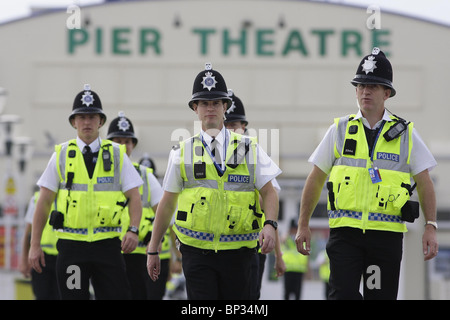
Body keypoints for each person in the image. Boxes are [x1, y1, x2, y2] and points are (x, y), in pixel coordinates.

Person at [295, 48, 439, 300]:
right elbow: (316, 178)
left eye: (373, 86)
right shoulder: (339, 129)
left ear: (387, 93)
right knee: (343, 296)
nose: (365, 92)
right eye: (361, 86)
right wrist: (303, 224)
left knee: (378, 297)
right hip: (345, 234)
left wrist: (430, 226)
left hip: (384, 238)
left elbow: (425, 183)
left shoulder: (405, 133)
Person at [147, 63, 281, 300]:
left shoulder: (249, 148)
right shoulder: (181, 152)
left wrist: (270, 224)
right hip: (196, 253)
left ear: (225, 107)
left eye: (216, 103)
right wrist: (153, 249)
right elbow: (166, 204)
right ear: (195, 108)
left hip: (239, 253)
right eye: (204, 103)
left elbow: (270, 193)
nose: (211, 108)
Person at [28, 84, 143, 300]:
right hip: (72, 248)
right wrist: (34, 246)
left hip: (107, 245)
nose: (87, 122)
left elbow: (134, 196)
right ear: (73, 122)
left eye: (92, 117)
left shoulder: (118, 154)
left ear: (101, 121)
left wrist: (133, 230)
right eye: (82, 117)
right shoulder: (61, 155)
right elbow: (43, 203)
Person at [224, 89, 285, 300]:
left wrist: (278, 255)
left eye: (234, 125)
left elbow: (270, 210)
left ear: (244, 127)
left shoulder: (254, 156)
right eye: (225, 125)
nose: (230, 130)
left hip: (251, 246)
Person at [106, 111, 168, 300]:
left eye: (127, 142)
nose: (123, 146)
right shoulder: (97, 174)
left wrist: (154, 241)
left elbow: (164, 212)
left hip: (138, 255)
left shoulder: (144, 176)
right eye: (117, 141)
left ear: (133, 145)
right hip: (106, 252)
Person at [20, 190, 59, 300]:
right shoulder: (37, 198)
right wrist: (24, 260)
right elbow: (28, 232)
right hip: (41, 258)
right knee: (42, 296)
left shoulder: (69, 195)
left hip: (63, 257)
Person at [281, 219, 308, 300]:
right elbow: (281, 241)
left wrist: (308, 270)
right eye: (293, 228)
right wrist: (288, 234)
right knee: (287, 294)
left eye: (296, 228)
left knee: (298, 294)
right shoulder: (286, 239)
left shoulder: (301, 239)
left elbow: (306, 255)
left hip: (299, 271)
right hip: (288, 270)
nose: (295, 230)